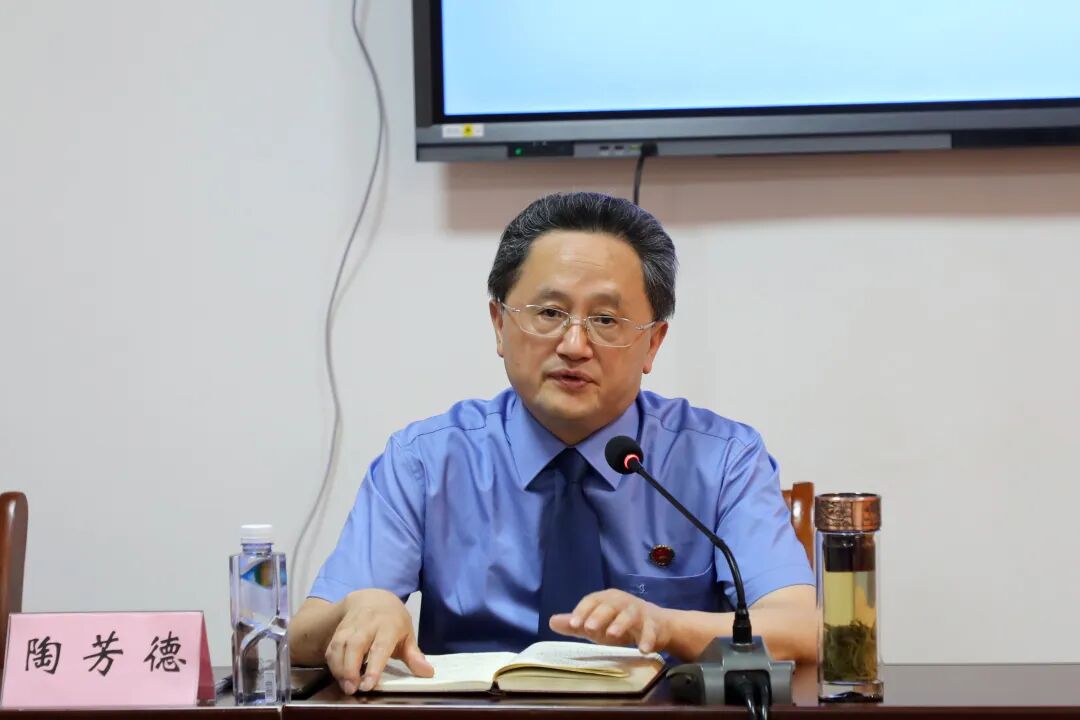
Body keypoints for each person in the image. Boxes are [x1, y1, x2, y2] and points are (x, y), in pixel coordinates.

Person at [291, 192, 815, 695]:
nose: (574, 345)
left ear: (653, 343)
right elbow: (300, 638)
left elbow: (802, 629)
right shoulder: (426, 461)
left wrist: (665, 625)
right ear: (499, 325)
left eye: (606, 320)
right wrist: (361, 607)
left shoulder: (721, 459)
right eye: (548, 313)